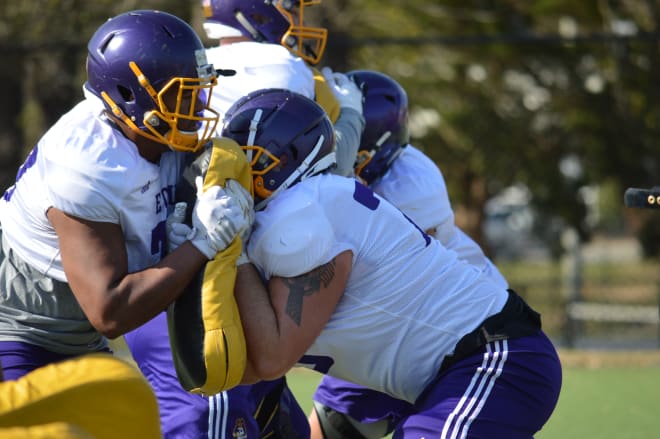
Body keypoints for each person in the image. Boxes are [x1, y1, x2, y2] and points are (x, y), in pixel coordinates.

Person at [214, 88, 562, 439]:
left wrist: (232, 250)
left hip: (491, 356)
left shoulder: (302, 211)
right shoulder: (299, 212)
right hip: (428, 368)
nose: (237, 180)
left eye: (249, 163)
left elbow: (272, 358)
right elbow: (250, 365)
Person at [123, 1, 365, 437]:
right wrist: (352, 114)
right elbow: (333, 167)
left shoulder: (182, 66)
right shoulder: (281, 66)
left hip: (187, 280)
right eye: (289, 5)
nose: (297, 18)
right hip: (208, 303)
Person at [0, 9, 252, 383]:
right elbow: (110, 312)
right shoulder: (87, 164)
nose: (198, 109)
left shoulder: (154, 135)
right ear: (127, 95)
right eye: (182, 95)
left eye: (199, 91)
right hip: (22, 332)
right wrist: (201, 244)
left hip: (79, 340)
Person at [308, 70, 510, 438]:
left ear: (372, 148)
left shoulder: (411, 186)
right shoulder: (383, 172)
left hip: (456, 329)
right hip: (398, 331)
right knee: (327, 427)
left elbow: (342, 259)